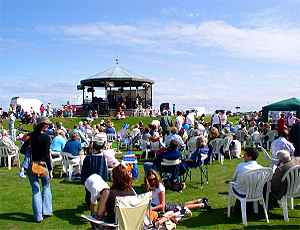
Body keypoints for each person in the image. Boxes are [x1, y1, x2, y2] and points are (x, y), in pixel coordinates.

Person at [24, 117, 53, 222]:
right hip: (42, 165)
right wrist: (50, 169)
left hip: (32, 165)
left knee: (35, 190)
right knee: (46, 186)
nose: (48, 125)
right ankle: (46, 211)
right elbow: (46, 155)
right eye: (47, 124)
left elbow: (22, 149)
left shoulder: (30, 136)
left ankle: (38, 217)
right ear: (42, 125)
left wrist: (30, 149)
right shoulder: (46, 137)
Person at [144, 169, 211, 214]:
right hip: (154, 205)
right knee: (182, 205)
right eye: (150, 180)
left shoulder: (160, 187)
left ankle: (202, 204)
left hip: (161, 207)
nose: (152, 181)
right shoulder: (150, 186)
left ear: (157, 177)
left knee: (183, 207)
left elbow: (162, 205)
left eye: (154, 179)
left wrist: (151, 209)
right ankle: (200, 200)